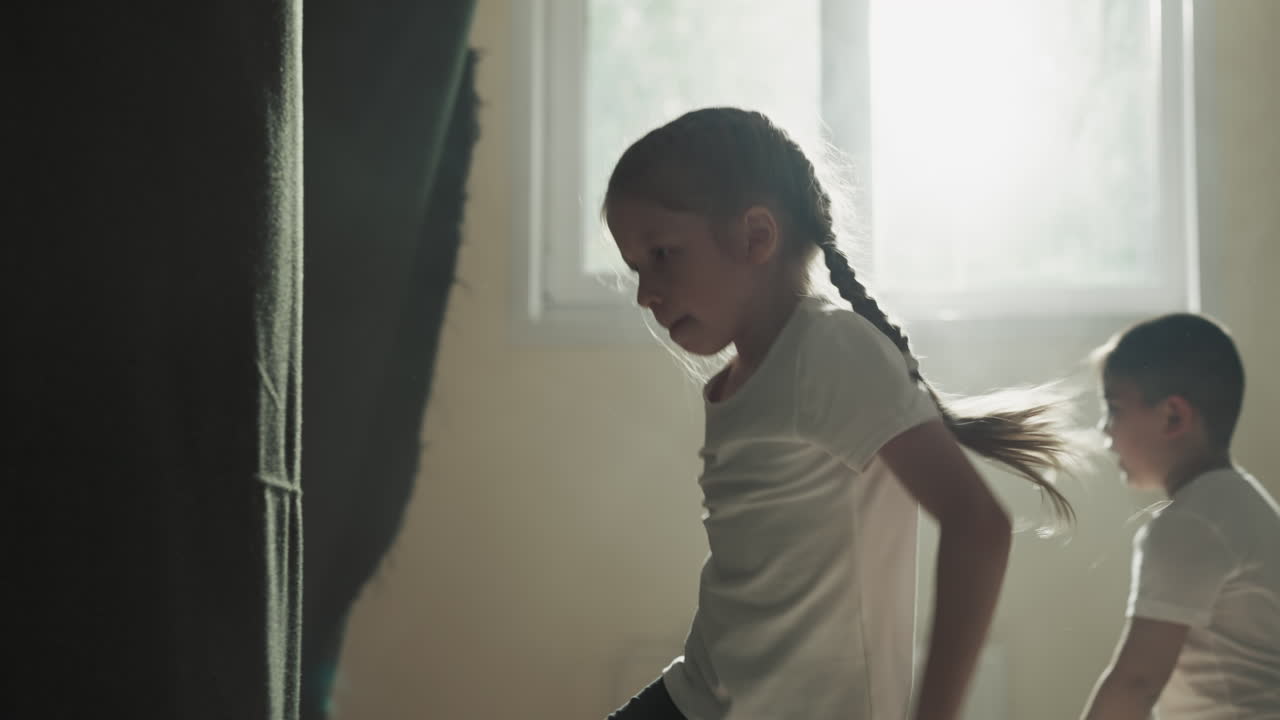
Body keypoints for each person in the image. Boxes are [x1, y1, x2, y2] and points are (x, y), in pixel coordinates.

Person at [602, 107, 1075, 720]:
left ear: (755, 238)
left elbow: (979, 527)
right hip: (697, 698)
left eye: (662, 254)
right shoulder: (746, 375)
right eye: (635, 268)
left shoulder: (827, 350)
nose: (646, 294)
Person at [1082, 313, 1280, 719]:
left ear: (1174, 416)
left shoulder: (1192, 523)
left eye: (1114, 408)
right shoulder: (1241, 504)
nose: (1105, 430)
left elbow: (1135, 685)